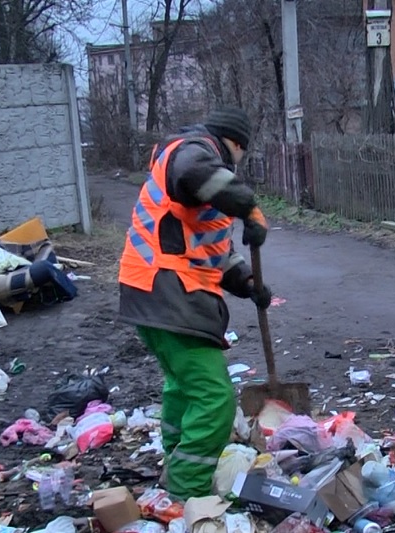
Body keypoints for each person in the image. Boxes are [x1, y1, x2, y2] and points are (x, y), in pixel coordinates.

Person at [117, 106, 272, 500]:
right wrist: (247, 205)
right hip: (167, 290)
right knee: (214, 397)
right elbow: (195, 171)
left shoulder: (198, 184)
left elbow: (214, 251)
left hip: (152, 291)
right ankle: (188, 490)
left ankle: (175, 462)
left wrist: (248, 282)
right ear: (234, 145)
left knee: (183, 387)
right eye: (239, 154)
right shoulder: (190, 151)